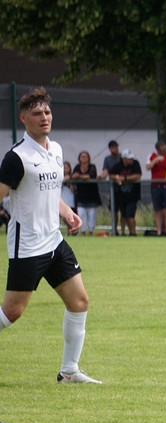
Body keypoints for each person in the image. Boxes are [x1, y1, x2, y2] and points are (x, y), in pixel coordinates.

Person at [0, 87, 101, 384]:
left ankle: (69, 371)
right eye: (36, 113)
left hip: (54, 242)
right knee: (12, 312)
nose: (44, 117)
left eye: (47, 112)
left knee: (79, 302)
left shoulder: (55, 150)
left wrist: (67, 213)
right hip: (28, 246)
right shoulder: (17, 157)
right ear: (23, 118)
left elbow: (49, 193)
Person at [109, 149, 142, 236]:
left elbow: (138, 175)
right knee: (123, 215)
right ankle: (123, 232)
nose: (131, 160)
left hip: (133, 194)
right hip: (121, 195)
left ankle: (133, 233)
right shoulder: (118, 166)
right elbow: (111, 175)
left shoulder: (135, 164)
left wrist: (125, 178)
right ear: (123, 159)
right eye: (128, 158)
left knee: (130, 215)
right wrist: (117, 177)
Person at [146, 140, 166, 236]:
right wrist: (156, 160)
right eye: (163, 147)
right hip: (155, 186)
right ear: (158, 148)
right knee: (158, 210)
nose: (165, 149)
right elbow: (148, 167)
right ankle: (158, 231)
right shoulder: (152, 155)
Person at [72, 151, 101, 235]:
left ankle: (91, 231)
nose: (84, 158)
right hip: (81, 195)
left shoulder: (92, 167)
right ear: (79, 158)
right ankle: (83, 231)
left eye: (85, 156)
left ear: (88, 158)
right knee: (81, 214)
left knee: (92, 215)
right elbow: (73, 176)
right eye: (82, 156)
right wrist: (76, 176)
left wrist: (79, 176)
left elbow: (90, 176)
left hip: (92, 195)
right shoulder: (77, 167)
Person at [98, 140, 122, 235]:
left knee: (124, 211)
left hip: (124, 185)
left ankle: (123, 230)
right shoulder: (107, 159)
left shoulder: (122, 157)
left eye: (115, 147)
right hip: (114, 187)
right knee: (114, 209)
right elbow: (105, 172)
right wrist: (100, 176)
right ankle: (115, 230)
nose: (114, 149)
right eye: (112, 147)